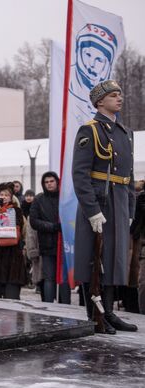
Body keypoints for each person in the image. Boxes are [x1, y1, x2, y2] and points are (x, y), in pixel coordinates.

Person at [72, 79, 137, 333]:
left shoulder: (125, 132)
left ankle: (109, 312)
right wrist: (92, 210)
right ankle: (96, 315)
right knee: (94, 258)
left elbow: (128, 176)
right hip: (99, 201)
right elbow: (80, 174)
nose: (119, 98)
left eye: (120, 94)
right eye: (113, 95)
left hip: (118, 201)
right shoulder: (90, 130)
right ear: (100, 102)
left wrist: (129, 210)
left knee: (114, 259)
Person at [29, 172, 70, 304]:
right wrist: (52, 227)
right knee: (49, 278)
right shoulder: (39, 199)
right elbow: (34, 221)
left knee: (64, 278)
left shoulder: (64, 198)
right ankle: (48, 306)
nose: (49, 184)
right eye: (46, 182)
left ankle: (66, 305)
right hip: (47, 244)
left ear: (57, 182)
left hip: (64, 244)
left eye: (51, 181)